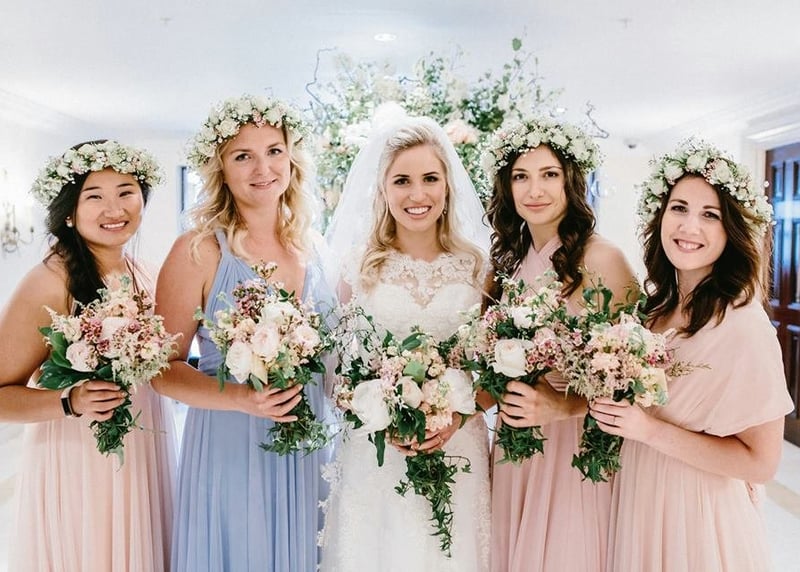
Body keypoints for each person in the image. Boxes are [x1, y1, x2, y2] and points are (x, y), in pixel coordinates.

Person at [590, 139, 793, 571]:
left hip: (697, 511)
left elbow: (761, 463)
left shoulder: (743, 323)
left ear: (731, 230)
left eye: (710, 215)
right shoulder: (653, 310)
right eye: (679, 208)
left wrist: (648, 430)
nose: (689, 226)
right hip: (641, 493)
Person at [154, 94, 332, 572]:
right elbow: (160, 370)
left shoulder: (313, 248)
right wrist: (241, 398)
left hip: (308, 445)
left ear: (292, 159)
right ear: (221, 169)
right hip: (231, 445)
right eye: (242, 156)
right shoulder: (197, 250)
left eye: (274, 151)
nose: (262, 168)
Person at [319, 112, 491, 572]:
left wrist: (456, 415)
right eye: (402, 181)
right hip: (377, 454)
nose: (418, 195)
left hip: (457, 447)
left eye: (430, 178)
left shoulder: (478, 268)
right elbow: (335, 374)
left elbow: (494, 372)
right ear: (382, 189)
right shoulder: (356, 268)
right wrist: (377, 409)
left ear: (448, 185)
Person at [0, 140, 176, 571]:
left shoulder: (144, 273)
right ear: (69, 212)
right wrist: (70, 400)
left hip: (142, 449)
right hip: (80, 458)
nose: (114, 209)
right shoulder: (49, 281)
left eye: (126, 192)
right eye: (94, 196)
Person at [482, 117, 638, 572]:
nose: (535, 190)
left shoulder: (603, 258)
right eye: (521, 176)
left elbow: (640, 377)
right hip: (514, 444)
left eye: (549, 174)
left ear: (571, 180)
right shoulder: (506, 261)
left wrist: (564, 406)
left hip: (574, 447)